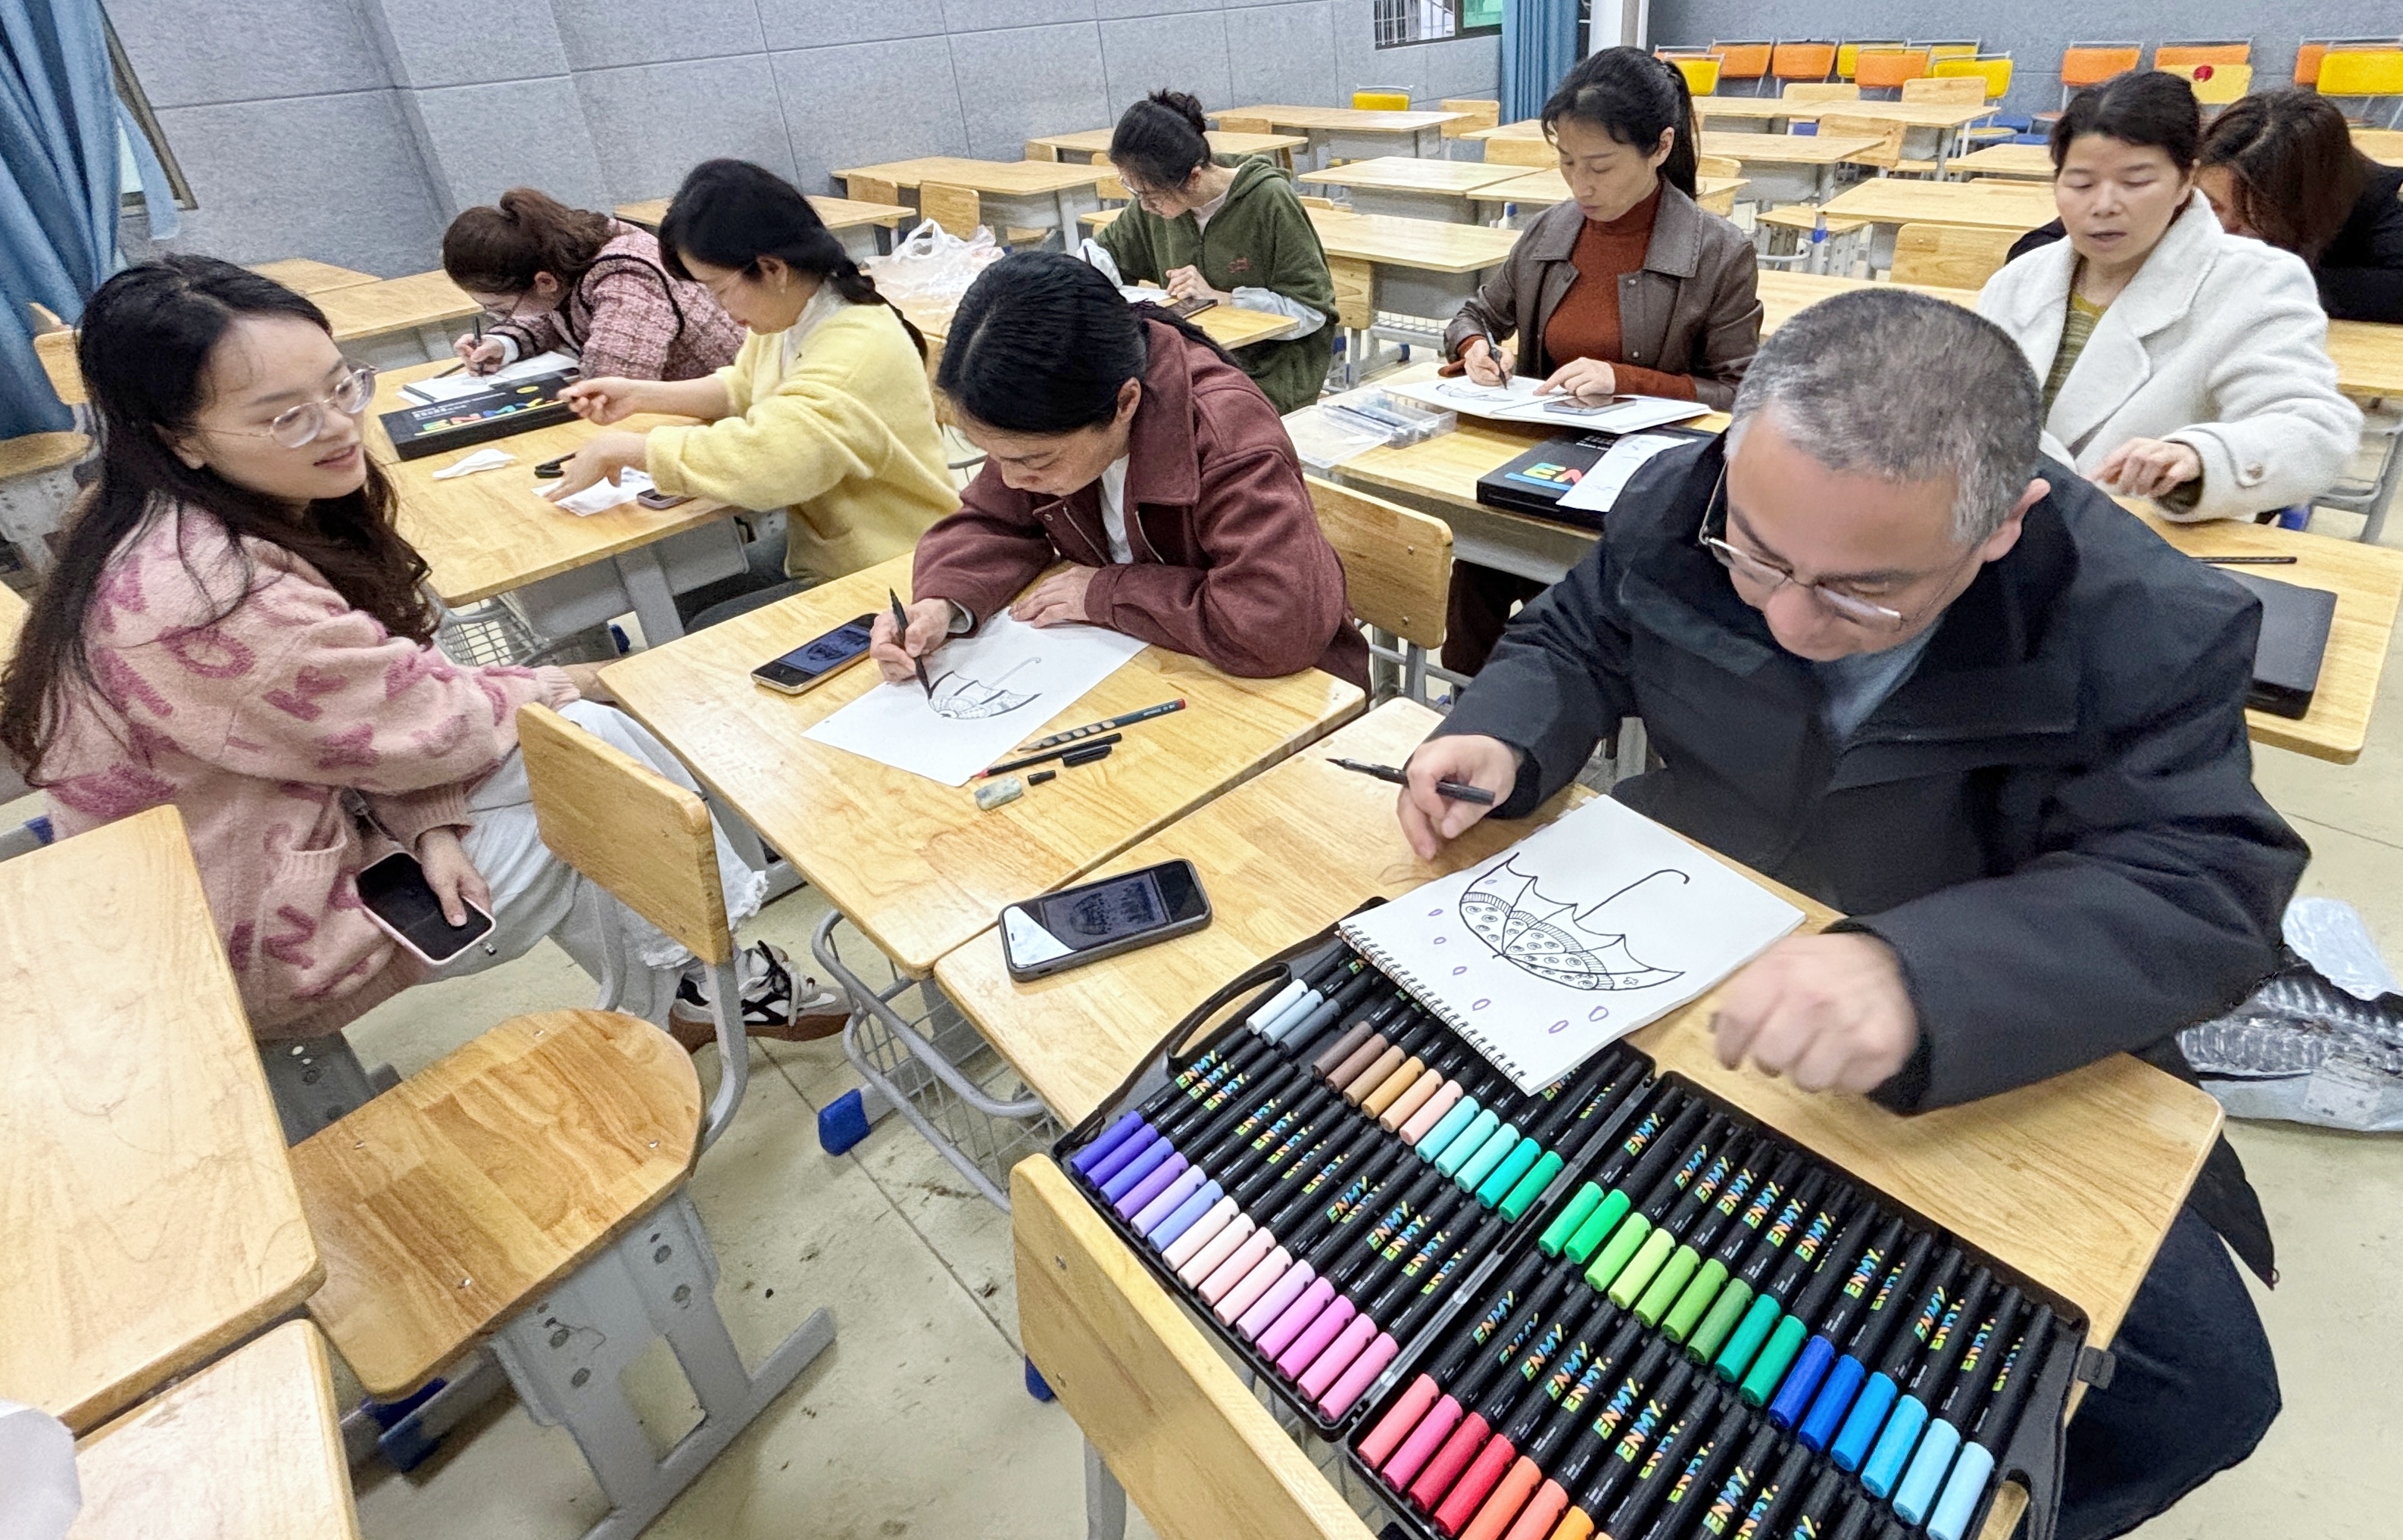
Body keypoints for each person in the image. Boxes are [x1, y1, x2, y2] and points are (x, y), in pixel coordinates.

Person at [1397, 288, 2302, 1540]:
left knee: (2197, 1387)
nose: (1785, 614)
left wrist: (1917, 974)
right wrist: (1503, 730)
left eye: (1863, 590)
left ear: (1999, 526)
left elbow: (2203, 883)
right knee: (1556, 1268)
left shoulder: (2142, 621)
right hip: (1676, 947)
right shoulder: (1689, 496)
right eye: (1760, 557)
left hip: (1973, 1020)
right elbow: (1576, 634)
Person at [0, 257, 847, 1068]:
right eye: (285, 415)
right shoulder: (212, 597)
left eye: (341, 386)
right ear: (177, 438)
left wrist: (427, 815)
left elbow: (371, 727)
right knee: (604, 767)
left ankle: (701, 983)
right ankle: (721, 966)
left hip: (262, 840)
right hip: (252, 930)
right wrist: (595, 682)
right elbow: (424, 719)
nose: (337, 427)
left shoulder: (138, 516)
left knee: (588, 746)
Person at [872, 252, 1365, 688]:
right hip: (1153, 664)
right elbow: (990, 522)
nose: (1009, 479)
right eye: (995, 456)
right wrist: (942, 604)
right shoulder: (1048, 421)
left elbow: (1273, 622)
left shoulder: (1225, 434)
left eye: (1031, 461)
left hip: (1278, 692)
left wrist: (1108, 593)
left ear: (1126, 401)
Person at [1439, 46, 1762, 673]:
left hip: (1648, 492)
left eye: (1600, 166)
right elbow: (1473, 314)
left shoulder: (1718, 252)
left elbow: (1742, 393)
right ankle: (1472, 719)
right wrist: (1474, 348)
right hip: (1532, 469)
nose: (1580, 185)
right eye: (1564, 163)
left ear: (1660, 147)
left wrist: (1623, 380)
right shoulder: (1548, 233)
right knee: (1474, 571)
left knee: (1563, 618)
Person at [545, 160, 957, 616]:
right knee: (693, 592)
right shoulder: (794, 314)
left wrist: (629, 449)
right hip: (831, 545)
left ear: (771, 268)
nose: (717, 307)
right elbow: (743, 389)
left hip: (897, 562)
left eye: (718, 289)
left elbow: (772, 463)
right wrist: (640, 394)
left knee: (707, 625)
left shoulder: (852, 347)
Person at [1978, 70, 2359, 522]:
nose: (2104, 205)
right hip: (2009, 537)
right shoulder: (2019, 282)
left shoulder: (2255, 281)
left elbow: (2316, 431)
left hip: (2155, 548)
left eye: (2136, 182)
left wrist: (2202, 457)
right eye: (2080, 183)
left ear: (2186, 182)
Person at [1081, 89, 1338, 414]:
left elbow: (1312, 310)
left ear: (1194, 177)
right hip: (1190, 359)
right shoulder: (1155, 204)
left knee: (1164, 416)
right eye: (1134, 191)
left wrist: (1222, 297)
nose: (1145, 206)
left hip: (1268, 369)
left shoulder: (1268, 200)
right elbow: (1103, 256)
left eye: (1152, 195)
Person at [441, 186, 741, 379]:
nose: (503, 318)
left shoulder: (627, 277)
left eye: (501, 309)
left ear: (543, 281)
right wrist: (504, 343)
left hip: (729, 410)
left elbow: (614, 383)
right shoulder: (562, 252)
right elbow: (556, 312)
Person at [2197, 88, 2403, 324]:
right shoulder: (2181, 191)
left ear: (2310, 201)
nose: (2225, 227)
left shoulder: (2381, 200)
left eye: (2255, 213)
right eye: (2213, 205)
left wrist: (2268, 279)